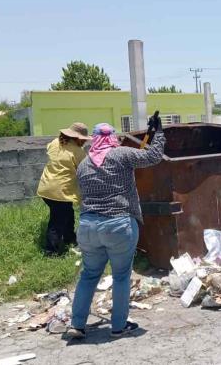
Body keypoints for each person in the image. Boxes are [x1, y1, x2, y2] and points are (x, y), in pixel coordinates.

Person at [67, 119, 165, 340]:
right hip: (118, 224)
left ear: (93, 139)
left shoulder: (83, 164)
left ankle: (77, 324)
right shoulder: (121, 154)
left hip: (88, 226)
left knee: (89, 275)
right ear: (112, 138)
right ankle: (118, 326)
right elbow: (153, 157)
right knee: (121, 276)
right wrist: (158, 133)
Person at [37, 123, 90, 256]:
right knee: (57, 221)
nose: (84, 142)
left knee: (67, 213)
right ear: (77, 138)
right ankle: (51, 252)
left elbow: (50, 150)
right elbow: (85, 169)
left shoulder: (55, 142)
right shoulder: (78, 152)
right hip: (59, 192)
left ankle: (69, 239)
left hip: (46, 188)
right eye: (83, 139)